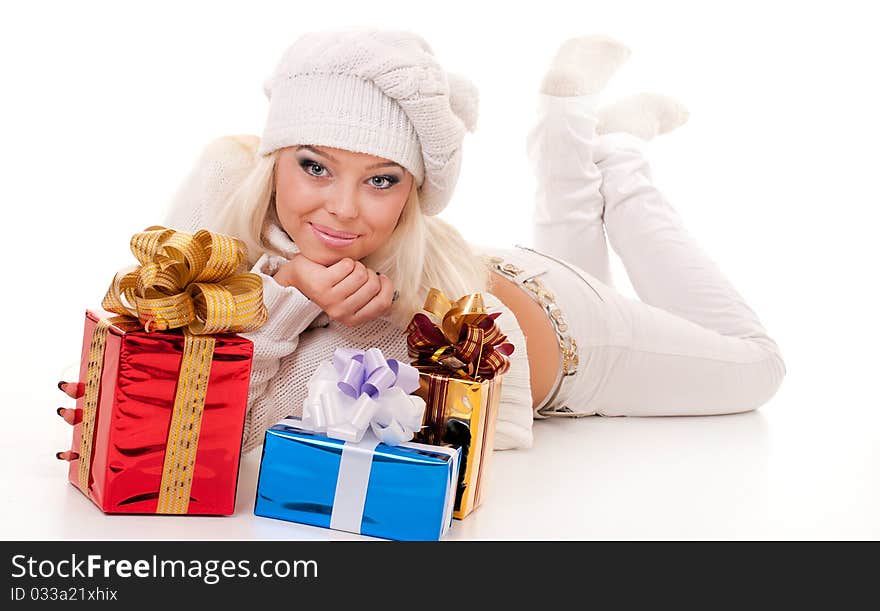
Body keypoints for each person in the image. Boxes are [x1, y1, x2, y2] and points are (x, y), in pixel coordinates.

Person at [56, 28, 786, 457]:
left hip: (576, 343)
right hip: (503, 280)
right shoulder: (224, 181)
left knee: (757, 363)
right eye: (314, 165)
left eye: (381, 180)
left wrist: (285, 299)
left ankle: (621, 155)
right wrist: (135, 398)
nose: (342, 212)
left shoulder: (391, 302)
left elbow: (250, 444)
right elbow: (152, 323)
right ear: (274, 154)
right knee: (584, 256)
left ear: (413, 191)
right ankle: (566, 126)